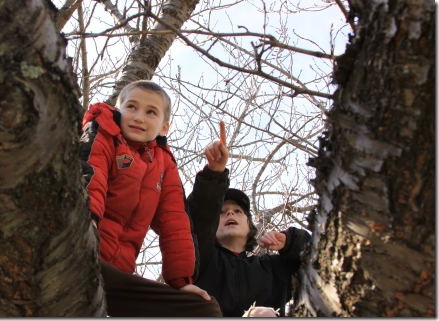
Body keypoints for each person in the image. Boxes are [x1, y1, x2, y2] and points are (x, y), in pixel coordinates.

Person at [80, 80, 221, 317]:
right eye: (132, 107)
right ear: (118, 109)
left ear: (164, 127)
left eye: (150, 112)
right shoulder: (102, 132)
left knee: (204, 310)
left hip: (116, 277)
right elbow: (91, 177)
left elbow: (175, 223)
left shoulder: (164, 163)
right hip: (82, 251)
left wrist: (181, 281)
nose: (138, 117)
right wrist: (84, 225)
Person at [187, 121, 311, 317]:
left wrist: (289, 242)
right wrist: (214, 172)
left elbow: (320, 258)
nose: (230, 213)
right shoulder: (203, 258)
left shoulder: (272, 269)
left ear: (250, 226)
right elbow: (200, 215)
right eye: (222, 211)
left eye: (238, 211)